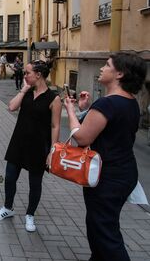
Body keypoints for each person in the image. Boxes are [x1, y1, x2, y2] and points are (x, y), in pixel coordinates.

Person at [63, 53, 146, 261]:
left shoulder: (107, 104)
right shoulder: (130, 102)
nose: (102, 68)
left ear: (119, 73)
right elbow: (109, 130)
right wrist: (86, 111)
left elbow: (81, 137)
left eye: (107, 65)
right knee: (99, 225)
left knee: (105, 233)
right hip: (124, 173)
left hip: (106, 177)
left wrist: (71, 111)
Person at [0, 60, 61, 232]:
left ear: (38, 75)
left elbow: (55, 126)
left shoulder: (54, 98)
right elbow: (11, 107)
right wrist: (23, 89)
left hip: (38, 146)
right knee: (9, 178)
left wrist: (53, 151)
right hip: (19, 142)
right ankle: (8, 208)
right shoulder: (27, 92)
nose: (25, 75)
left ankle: (30, 215)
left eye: (27, 73)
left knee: (35, 183)